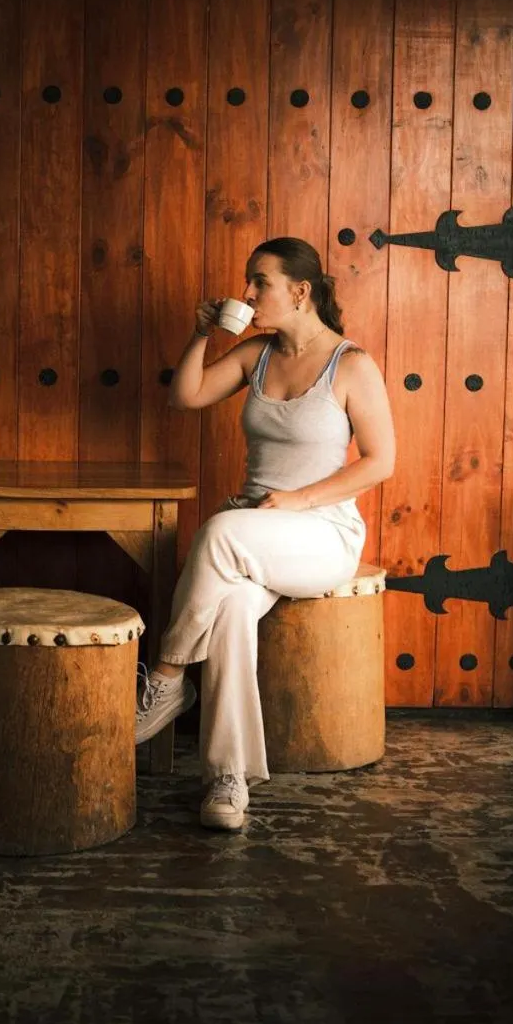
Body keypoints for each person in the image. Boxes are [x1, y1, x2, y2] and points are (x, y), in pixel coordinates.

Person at [135, 237, 396, 831]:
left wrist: (297, 500)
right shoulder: (255, 354)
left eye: (261, 282)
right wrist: (203, 333)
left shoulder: (352, 364)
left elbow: (380, 463)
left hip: (320, 533)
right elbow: (187, 397)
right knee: (228, 611)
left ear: (300, 292)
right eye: (248, 283)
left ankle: (170, 675)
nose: (248, 294)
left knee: (221, 530)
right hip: (255, 534)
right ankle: (227, 779)